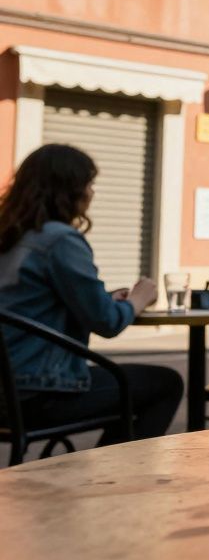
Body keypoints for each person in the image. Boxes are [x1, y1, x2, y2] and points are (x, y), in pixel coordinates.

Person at [0, 144, 180, 445]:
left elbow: (36, 304)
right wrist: (137, 300)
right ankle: (109, 469)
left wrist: (104, 298)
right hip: (38, 393)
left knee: (133, 389)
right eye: (88, 183)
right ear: (69, 190)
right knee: (166, 383)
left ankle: (104, 464)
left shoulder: (11, 236)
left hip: (7, 392)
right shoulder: (60, 240)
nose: (91, 193)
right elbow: (107, 323)